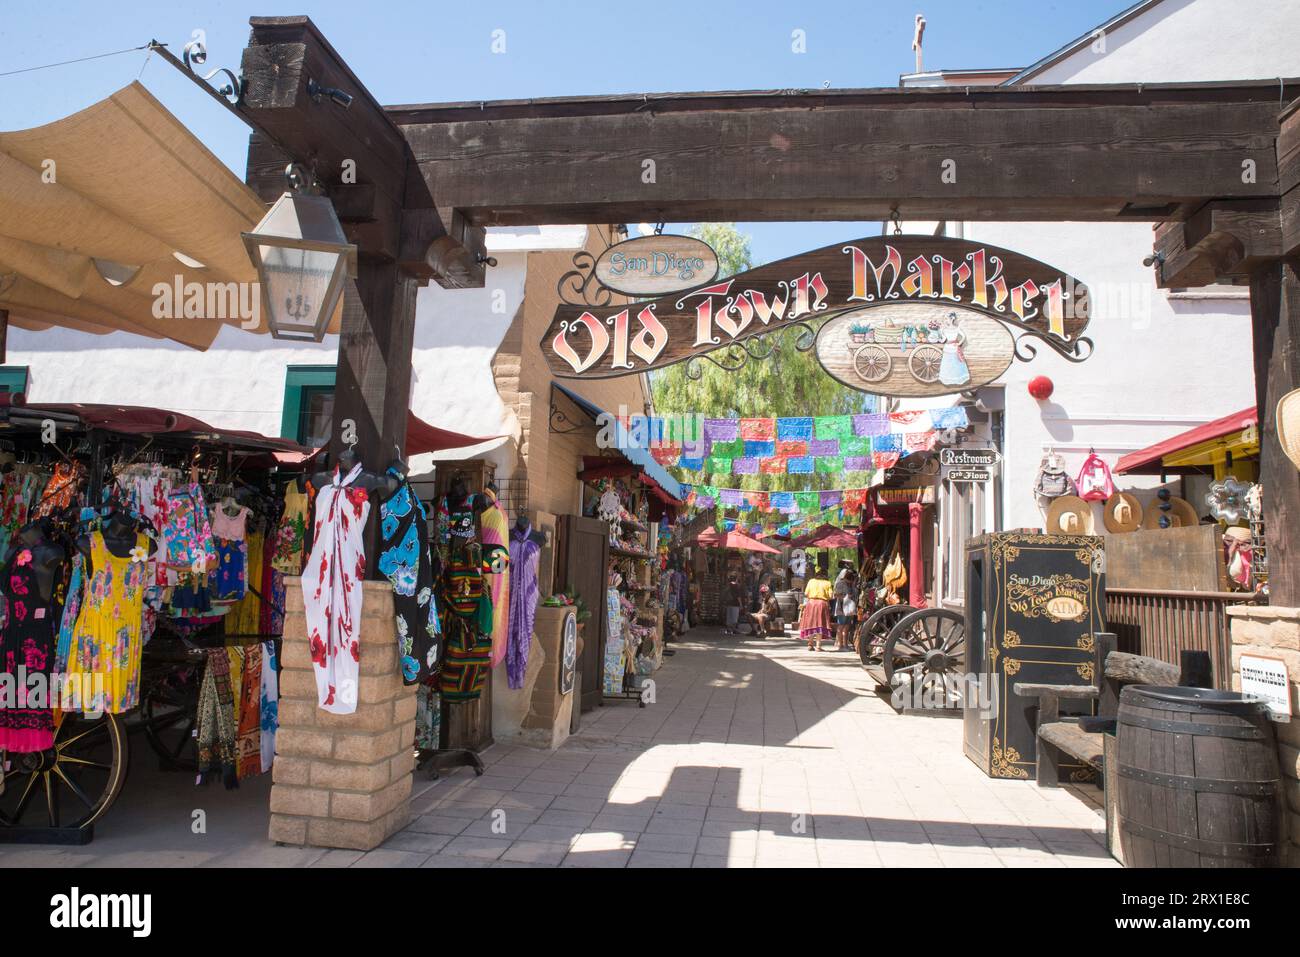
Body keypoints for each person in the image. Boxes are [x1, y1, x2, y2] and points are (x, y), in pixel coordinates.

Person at [799, 557, 834, 651]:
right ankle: (818, 646)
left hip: (811, 603)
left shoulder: (811, 581)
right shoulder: (827, 583)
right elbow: (830, 596)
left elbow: (806, 593)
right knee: (820, 624)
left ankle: (810, 644)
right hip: (822, 604)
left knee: (811, 623)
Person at [833, 563, 858, 651]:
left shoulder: (851, 584)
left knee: (847, 626)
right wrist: (846, 596)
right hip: (842, 607)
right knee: (841, 626)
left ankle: (845, 645)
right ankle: (840, 645)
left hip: (849, 607)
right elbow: (835, 595)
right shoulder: (840, 583)